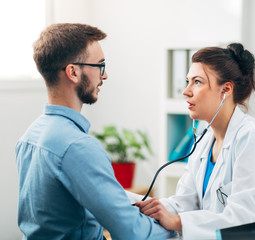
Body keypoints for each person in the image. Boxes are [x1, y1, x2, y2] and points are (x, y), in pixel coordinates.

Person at [15, 23, 173, 240]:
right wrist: (181, 226)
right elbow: (132, 232)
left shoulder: (30, 136)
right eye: (100, 65)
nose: (104, 75)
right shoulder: (77, 146)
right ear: (73, 72)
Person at [136, 43, 255, 239]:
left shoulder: (252, 138)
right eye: (188, 81)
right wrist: (146, 207)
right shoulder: (205, 138)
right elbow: (185, 203)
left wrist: (177, 222)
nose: (186, 91)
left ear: (226, 90)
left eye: (197, 82)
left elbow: (245, 220)